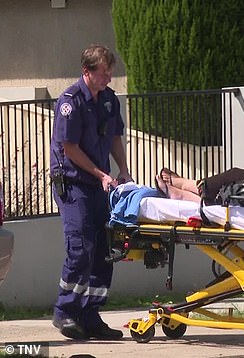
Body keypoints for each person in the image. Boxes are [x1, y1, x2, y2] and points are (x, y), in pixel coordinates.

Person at [50, 44, 132, 340]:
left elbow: (114, 137)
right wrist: (100, 174)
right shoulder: (70, 102)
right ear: (87, 72)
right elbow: (68, 148)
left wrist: (123, 168)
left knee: (104, 250)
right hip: (74, 185)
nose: (109, 77)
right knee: (81, 247)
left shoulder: (108, 100)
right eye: (104, 72)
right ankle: (66, 312)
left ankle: (91, 314)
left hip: (100, 183)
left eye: (111, 71)